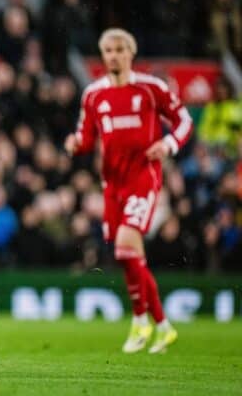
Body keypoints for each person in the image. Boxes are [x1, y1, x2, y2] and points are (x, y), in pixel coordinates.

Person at [64, 28, 193, 353]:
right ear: (103, 55)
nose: (114, 55)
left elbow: (184, 121)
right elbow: (87, 137)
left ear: (131, 53)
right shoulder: (93, 95)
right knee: (130, 257)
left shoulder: (151, 89)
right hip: (112, 185)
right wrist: (76, 144)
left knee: (125, 247)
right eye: (108, 50)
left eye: (120, 49)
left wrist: (167, 144)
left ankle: (140, 322)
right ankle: (162, 326)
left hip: (143, 179)